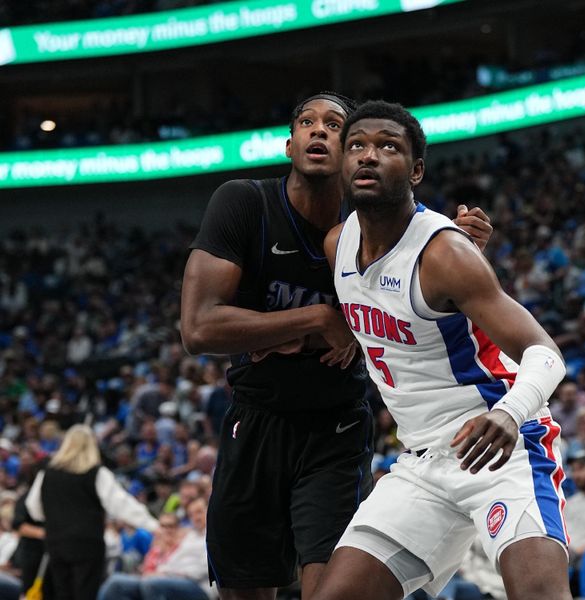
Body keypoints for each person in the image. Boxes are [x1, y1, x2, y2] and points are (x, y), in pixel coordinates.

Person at [180, 92, 492, 600]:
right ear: (289, 144)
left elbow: (427, 297)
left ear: (351, 152)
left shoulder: (376, 220)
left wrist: (459, 254)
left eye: (333, 125)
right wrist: (318, 319)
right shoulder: (244, 202)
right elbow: (198, 328)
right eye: (307, 122)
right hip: (255, 417)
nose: (318, 131)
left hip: (336, 426)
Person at [315, 100, 570, 600]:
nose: (368, 156)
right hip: (421, 463)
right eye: (358, 145)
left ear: (415, 171)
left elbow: (545, 352)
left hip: (504, 448)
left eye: (387, 146)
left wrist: (510, 413)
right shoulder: (336, 244)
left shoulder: (446, 254)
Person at [25, 424, 158, 600]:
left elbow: (33, 507)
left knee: (63, 593)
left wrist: (55, 516)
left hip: (56, 542)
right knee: (85, 594)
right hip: (87, 544)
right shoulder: (97, 474)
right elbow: (120, 504)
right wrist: (153, 525)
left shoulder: (47, 474)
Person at [97, 497, 216, 600]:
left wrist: (164, 573)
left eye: (199, 512)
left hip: (198, 585)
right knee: (116, 582)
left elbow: (204, 569)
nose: (196, 517)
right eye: (191, 514)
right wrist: (159, 572)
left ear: (209, 509)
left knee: (151, 584)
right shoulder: (189, 536)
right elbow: (172, 561)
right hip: (168, 578)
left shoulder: (215, 536)